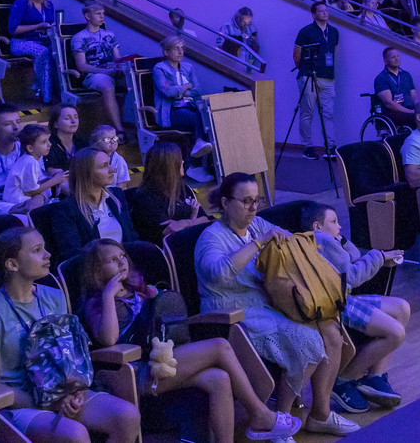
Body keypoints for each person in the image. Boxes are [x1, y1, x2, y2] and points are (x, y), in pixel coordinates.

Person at [77, 239, 300, 442]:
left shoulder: (137, 290)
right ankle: (259, 414)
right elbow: (109, 339)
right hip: (136, 371)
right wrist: (108, 295)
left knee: (219, 378)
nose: (121, 262)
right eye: (112, 260)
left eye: (122, 256)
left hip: (160, 359)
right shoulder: (96, 303)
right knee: (220, 346)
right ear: (97, 271)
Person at [196, 173, 358, 436]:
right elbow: (218, 273)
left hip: (267, 303)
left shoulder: (257, 224)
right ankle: (279, 421)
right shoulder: (211, 237)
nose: (253, 207)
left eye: (256, 200)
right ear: (225, 203)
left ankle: (320, 414)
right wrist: (259, 243)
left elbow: (289, 242)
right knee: (310, 342)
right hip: (231, 314)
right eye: (246, 201)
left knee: (331, 331)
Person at [0, 225, 141, 443]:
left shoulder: (54, 297)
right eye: (37, 250)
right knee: (75, 434)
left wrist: (74, 391)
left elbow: (69, 357)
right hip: (19, 406)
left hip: (62, 392)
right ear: (12, 264)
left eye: (45, 248)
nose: (48, 254)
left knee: (127, 417)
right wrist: (50, 402)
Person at [302, 202, 410, 411]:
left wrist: (343, 241)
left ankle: (375, 376)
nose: (339, 226)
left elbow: (353, 259)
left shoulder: (329, 242)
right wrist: (379, 256)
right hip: (336, 304)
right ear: (317, 226)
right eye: (334, 221)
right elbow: (351, 276)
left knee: (402, 308)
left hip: (346, 298)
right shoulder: (320, 239)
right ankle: (344, 379)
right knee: (396, 333)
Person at [45, 147, 136, 264]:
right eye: (104, 166)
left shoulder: (117, 196)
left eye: (109, 164)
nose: (112, 170)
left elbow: (131, 236)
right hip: (95, 270)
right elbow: (72, 256)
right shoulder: (65, 210)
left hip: (126, 264)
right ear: (86, 174)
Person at [153, 35, 214, 168]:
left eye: (182, 48)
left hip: (190, 106)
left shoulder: (188, 67)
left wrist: (182, 92)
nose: (181, 52)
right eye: (176, 49)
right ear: (166, 52)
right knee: (196, 117)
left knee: (210, 115)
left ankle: (203, 165)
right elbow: (167, 91)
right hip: (171, 111)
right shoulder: (160, 69)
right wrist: (185, 87)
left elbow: (197, 89)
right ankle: (195, 160)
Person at [126, 142, 205, 244]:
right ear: (168, 166)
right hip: (168, 249)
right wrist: (193, 219)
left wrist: (187, 222)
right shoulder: (145, 198)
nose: (183, 161)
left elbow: (206, 219)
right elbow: (171, 233)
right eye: (179, 159)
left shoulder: (183, 188)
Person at [68, 2, 128, 132]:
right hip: (94, 75)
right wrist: (106, 72)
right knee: (107, 86)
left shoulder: (109, 35)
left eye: (103, 14)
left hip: (112, 71)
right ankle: (119, 129)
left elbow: (117, 58)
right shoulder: (80, 38)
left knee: (133, 82)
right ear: (88, 16)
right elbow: (81, 66)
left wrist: (125, 63)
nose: (102, 17)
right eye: (98, 14)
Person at [292, 1, 340, 159]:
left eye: (326, 10)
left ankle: (330, 147)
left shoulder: (334, 32)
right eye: (321, 11)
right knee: (307, 112)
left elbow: (333, 52)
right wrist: (305, 70)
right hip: (309, 76)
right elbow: (296, 56)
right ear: (313, 14)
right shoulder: (305, 31)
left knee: (328, 114)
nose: (325, 13)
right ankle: (307, 146)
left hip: (328, 77)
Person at [8, 0, 64, 105]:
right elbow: (13, 29)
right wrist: (37, 26)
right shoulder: (21, 4)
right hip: (21, 42)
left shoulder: (48, 5)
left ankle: (59, 92)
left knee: (59, 52)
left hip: (43, 40)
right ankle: (46, 95)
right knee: (43, 52)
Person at [2, 124, 67, 211]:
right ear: (30, 148)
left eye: (48, 140)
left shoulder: (31, 159)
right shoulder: (30, 162)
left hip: (23, 198)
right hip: (18, 202)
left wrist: (51, 179)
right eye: (44, 142)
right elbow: (30, 192)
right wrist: (55, 180)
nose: (50, 144)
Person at [372, 46, 417, 128]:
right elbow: (389, 103)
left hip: (410, 109)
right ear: (385, 61)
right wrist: (409, 112)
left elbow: (414, 96)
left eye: (398, 56)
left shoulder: (406, 75)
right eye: (393, 57)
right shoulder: (381, 78)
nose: (397, 59)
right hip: (394, 113)